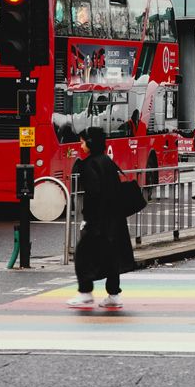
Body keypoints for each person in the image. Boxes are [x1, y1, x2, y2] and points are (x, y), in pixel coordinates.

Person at [68, 126, 135, 309]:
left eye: (82, 142)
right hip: (115, 219)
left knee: (82, 255)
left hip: (98, 221)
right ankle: (113, 295)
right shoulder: (107, 161)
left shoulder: (89, 164)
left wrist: (87, 219)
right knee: (112, 257)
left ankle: (85, 293)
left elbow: (93, 194)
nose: (80, 145)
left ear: (90, 143)